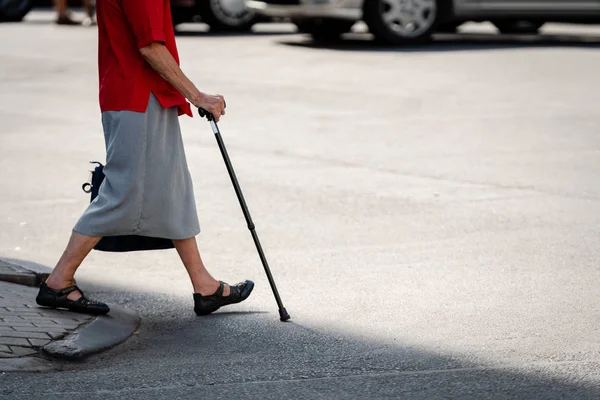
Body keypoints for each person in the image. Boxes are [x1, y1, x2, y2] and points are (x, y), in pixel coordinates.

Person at [36, 0, 254, 316]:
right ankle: (59, 281)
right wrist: (198, 96)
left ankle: (204, 285)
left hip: (145, 96)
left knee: (172, 190)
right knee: (120, 193)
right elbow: (151, 47)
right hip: (138, 99)